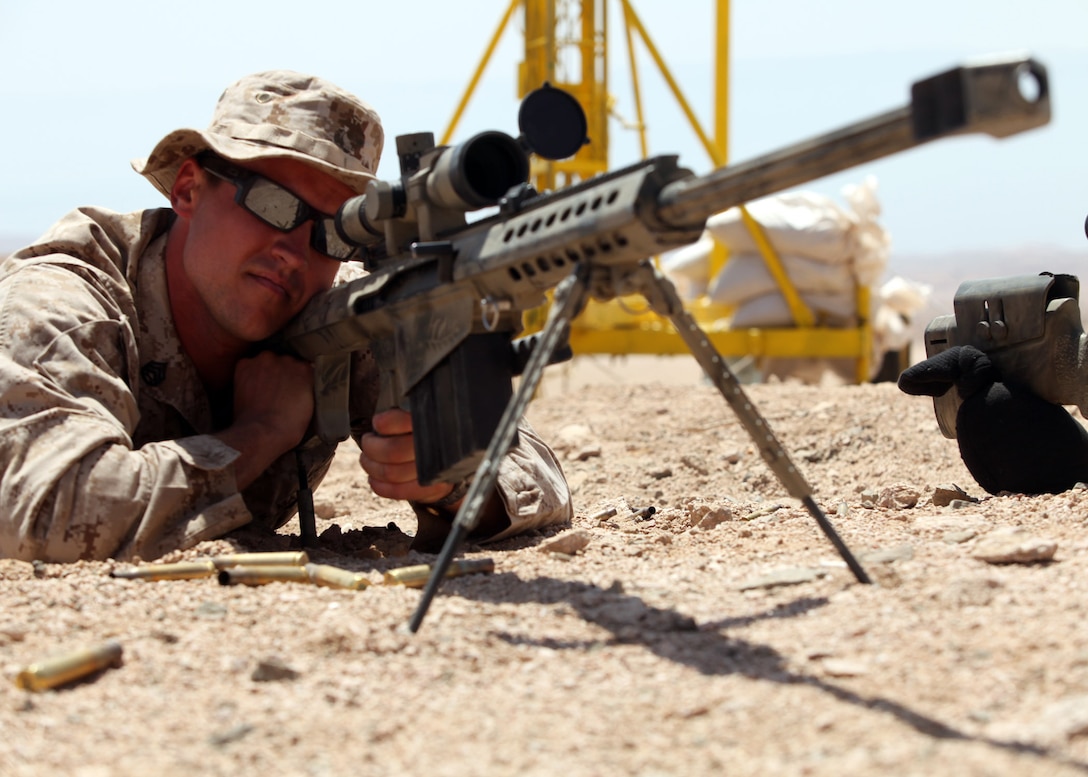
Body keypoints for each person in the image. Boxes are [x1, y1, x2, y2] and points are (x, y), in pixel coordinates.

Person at [0, 70, 572, 562]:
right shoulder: (64, 303)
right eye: (273, 206)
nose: (295, 253)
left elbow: (535, 471)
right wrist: (258, 434)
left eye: (332, 233)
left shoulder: (337, 312)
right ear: (189, 189)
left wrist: (450, 479)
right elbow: (45, 512)